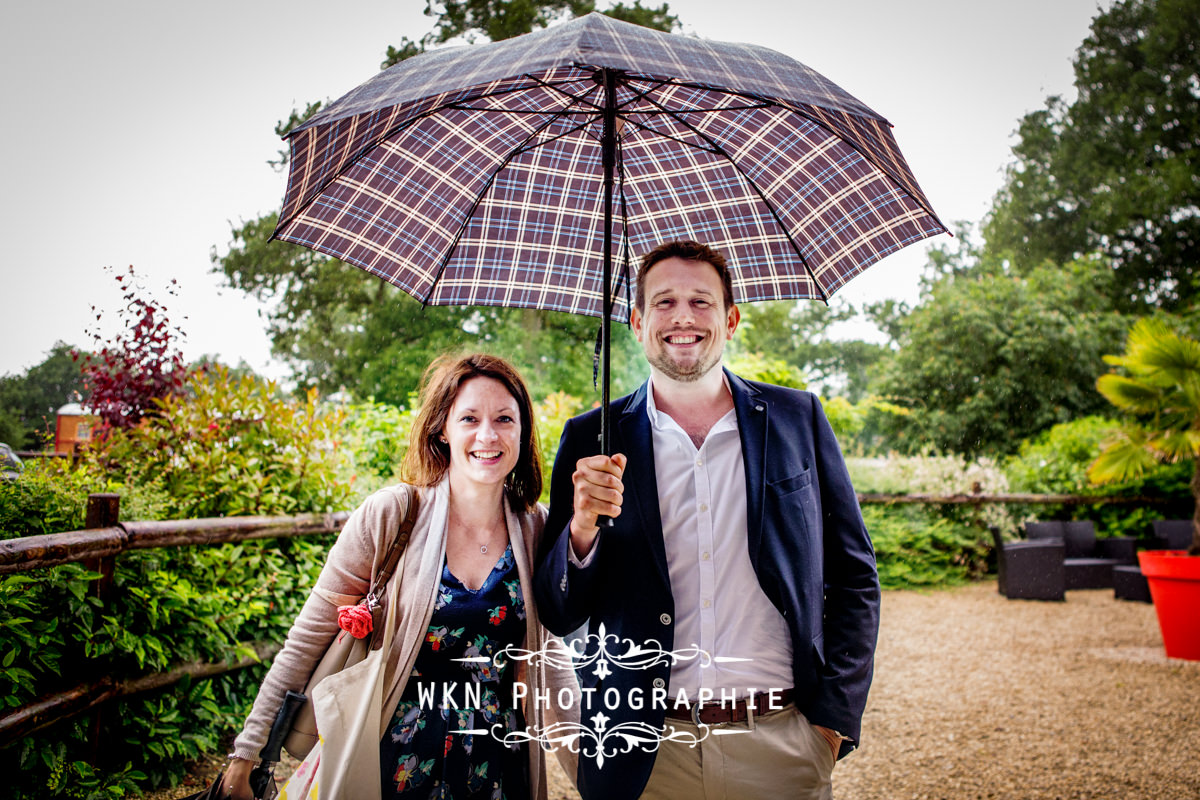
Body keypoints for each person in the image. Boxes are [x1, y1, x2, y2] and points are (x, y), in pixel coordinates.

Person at [533, 240, 880, 800]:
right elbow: (558, 608)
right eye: (665, 302)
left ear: (732, 319)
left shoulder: (798, 419)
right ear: (638, 321)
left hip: (780, 746)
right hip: (644, 755)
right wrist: (581, 530)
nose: (683, 317)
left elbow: (855, 576)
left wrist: (830, 724)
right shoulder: (590, 439)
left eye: (701, 301)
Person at [222, 353, 576, 800]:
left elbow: (551, 656)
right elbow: (306, 640)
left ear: (522, 432)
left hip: (498, 769)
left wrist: (597, 777)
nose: (488, 435)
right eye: (469, 418)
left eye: (504, 418)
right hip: (390, 761)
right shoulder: (389, 515)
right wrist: (245, 755)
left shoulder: (536, 528)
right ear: (441, 430)